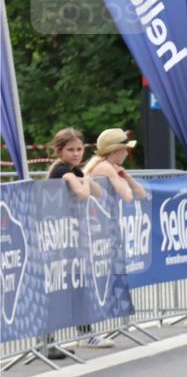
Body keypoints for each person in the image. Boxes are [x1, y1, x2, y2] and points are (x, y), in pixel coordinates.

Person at [44, 128, 110, 357]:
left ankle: (85, 332)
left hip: (69, 237)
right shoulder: (62, 170)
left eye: (79, 149)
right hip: (56, 238)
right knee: (56, 289)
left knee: (77, 286)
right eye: (70, 150)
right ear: (59, 151)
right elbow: (83, 194)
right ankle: (48, 341)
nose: (76, 154)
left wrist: (87, 179)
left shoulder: (76, 169)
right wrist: (85, 182)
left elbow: (99, 192)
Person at [84, 128, 147, 203]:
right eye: (125, 149)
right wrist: (123, 179)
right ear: (114, 151)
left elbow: (142, 195)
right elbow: (128, 197)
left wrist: (127, 177)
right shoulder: (106, 167)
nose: (126, 154)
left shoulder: (104, 165)